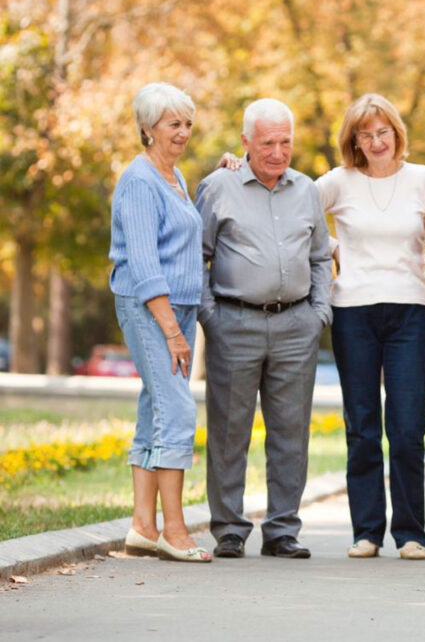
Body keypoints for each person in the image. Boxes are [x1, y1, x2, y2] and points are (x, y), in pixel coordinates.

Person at [195, 98, 332, 560]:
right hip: (234, 322)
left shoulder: (307, 190)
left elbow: (320, 256)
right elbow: (198, 256)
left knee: (291, 432)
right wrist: (210, 315)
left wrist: (319, 313)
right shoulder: (218, 186)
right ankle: (229, 528)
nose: (278, 151)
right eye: (268, 142)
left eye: (286, 141)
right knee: (230, 430)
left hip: (297, 323)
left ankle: (282, 529)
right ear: (246, 142)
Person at [316, 94, 425, 560]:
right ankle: (366, 530)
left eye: (383, 131)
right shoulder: (338, 182)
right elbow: (292, 210)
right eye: (365, 134)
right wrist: (331, 248)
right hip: (354, 311)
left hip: (409, 309)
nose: (376, 141)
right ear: (354, 141)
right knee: (362, 425)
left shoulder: (423, 179)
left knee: (407, 425)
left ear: (397, 133)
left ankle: (410, 533)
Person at [109, 82, 211, 563]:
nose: (184, 132)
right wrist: (171, 330)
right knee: (177, 411)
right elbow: (146, 265)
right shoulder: (139, 181)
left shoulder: (173, 177)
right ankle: (175, 530)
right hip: (152, 307)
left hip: (178, 308)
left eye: (188, 123)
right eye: (174, 124)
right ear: (148, 129)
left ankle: (142, 527)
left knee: (155, 409)